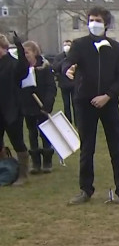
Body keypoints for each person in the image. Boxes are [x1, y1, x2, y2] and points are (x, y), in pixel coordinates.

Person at [63, 6, 119, 205]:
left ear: (106, 24)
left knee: (116, 148)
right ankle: (85, 190)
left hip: (109, 104)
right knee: (87, 148)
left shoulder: (115, 48)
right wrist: (68, 69)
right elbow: (68, 63)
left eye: (99, 20)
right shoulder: (79, 45)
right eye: (91, 20)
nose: (94, 23)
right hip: (85, 103)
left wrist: (108, 96)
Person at [20, 41, 57, 174]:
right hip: (28, 106)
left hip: (42, 106)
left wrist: (47, 104)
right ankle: (35, 163)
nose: (25, 55)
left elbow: (51, 87)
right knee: (32, 133)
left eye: (27, 52)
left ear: (34, 52)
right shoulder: (22, 69)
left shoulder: (44, 68)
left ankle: (47, 161)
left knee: (45, 133)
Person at [0, 33, 31, 186]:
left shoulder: (12, 64)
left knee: (17, 141)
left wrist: (19, 46)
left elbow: (23, 69)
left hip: (12, 109)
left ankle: (23, 174)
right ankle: (5, 170)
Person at [52, 40, 76, 125]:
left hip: (74, 84)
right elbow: (55, 67)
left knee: (75, 104)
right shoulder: (59, 57)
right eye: (65, 45)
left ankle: (77, 122)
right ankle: (68, 121)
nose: (67, 46)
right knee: (66, 104)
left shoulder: (75, 55)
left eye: (68, 45)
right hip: (64, 84)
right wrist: (64, 60)